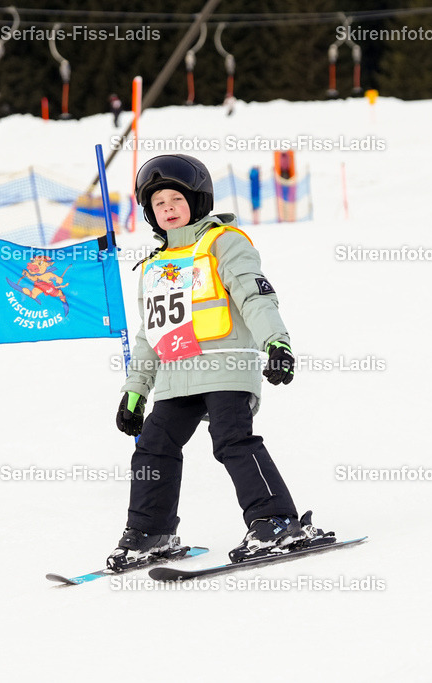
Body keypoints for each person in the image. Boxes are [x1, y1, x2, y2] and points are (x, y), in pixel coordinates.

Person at [107, 153, 324, 571]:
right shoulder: (153, 265)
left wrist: (276, 343)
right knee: (153, 447)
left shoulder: (223, 242)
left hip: (225, 364)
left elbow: (253, 295)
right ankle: (150, 532)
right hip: (175, 375)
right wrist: (135, 390)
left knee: (231, 439)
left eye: (176, 199)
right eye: (158, 204)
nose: (168, 208)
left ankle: (274, 521)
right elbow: (148, 334)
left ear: (197, 200)